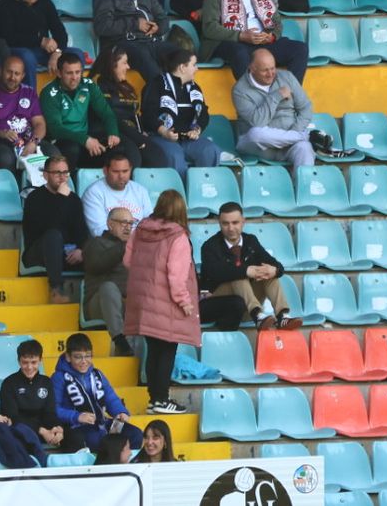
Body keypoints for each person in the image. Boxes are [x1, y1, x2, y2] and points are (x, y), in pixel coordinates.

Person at [125, 190, 200, 416]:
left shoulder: (140, 230)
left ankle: (153, 398)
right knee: (167, 349)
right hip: (166, 302)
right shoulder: (178, 236)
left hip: (143, 298)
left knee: (154, 349)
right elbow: (176, 275)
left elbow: (127, 260)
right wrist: (185, 302)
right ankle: (162, 398)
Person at [203, 0, 308, 79]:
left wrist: (271, 36)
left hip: (262, 42)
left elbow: (277, 23)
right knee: (239, 53)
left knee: (300, 49)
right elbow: (209, 28)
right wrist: (241, 35)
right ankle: (252, 96)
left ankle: (289, 93)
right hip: (233, 42)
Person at [230, 48, 334, 167]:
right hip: (260, 147)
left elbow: (306, 108)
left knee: (304, 148)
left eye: (273, 68)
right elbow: (258, 122)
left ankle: (303, 184)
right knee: (256, 133)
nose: (270, 74)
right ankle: (306, 136)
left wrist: (293, 132)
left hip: (290, 143)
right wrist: (276, 96)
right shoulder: (239, 90)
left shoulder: (287, 77)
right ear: (252, 69)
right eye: (265, 70)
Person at [200, 201, 292, 330]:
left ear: (243, 221)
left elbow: (274, 263)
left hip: (246, 305)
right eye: (225, 223)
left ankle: (283, 316)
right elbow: (216, 272)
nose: (231, 228)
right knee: (238, 275)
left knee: (269, 274)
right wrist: (247, 271)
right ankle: (258, 316)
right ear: (219, 223)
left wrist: (275, 270)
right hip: (222, 304)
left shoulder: (251, 241)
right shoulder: (210, 246)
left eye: (235, 223)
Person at [51, 332, 144, 452]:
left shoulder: (97, 374)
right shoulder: (59, 377)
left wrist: (120, 412)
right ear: (68, 357)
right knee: (96, 440)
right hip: (76, 426)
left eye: (88, 356)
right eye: (78, 357)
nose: (84, 361)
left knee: (135, 434)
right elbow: (53, 409)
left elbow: (111, 398)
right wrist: (77, 416)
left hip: (102, 423)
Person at [93, 0, 176, 83]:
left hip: (148, 41)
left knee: (180, 56)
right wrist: (135, 24)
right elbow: (102, 26)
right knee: (146, 59)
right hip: (121, 43)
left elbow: (163, 19)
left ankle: (183, 97)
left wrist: (157, 27)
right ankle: (161, 95)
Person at [142, 49, 223, 180]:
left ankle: (203, 190)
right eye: (194, 65)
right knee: (174, 155)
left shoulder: (194, 87)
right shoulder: (156, 84)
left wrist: (197, 130)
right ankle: (180, 196)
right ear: (182, 67)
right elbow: (147, 116)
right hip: (161, 137)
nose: (197, 69)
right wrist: (164, 132)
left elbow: (203, 114)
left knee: (210, 150)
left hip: (188, 139)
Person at [22, 153, 88, 304]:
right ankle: (56, 290)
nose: (62, 177)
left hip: (66, 252)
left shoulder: (73, 199)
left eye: (65, 172)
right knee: (53, 236)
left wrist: (81, 250)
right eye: (57, 173)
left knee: (97, 249)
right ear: (45, 175)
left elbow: (81, 231)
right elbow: (48, 227)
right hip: (39, 252)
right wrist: (61, 198)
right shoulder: (34, 198)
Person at [43, 51, 123, 171]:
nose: (74, 77)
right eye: (69, 73)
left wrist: (113, 133)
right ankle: (71, 183)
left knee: (116, 149)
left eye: (78, 72)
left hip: (85, 140)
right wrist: (84, 139)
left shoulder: (88, 85)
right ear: (59, 73)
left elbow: (106, 113)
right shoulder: (49, 93)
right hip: (61, 141)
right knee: (72, 148)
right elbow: (55, 129)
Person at [0, 0, 72, 78]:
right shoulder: (5, 3)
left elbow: (60, 31)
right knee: (28, 57)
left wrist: (57, 52)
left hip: (42, 51)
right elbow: (7, 37)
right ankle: (30, 95)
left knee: (75, 55)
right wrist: (40, 41)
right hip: (16, 50)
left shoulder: (44, 2)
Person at [82, 205, 138, 356]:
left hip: (128, 304)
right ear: (110, 224)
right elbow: (97, 265)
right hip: (100, 305)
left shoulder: (133, 248)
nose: (128, 227)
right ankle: (119, 340)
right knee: (109, 287)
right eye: (123, 223)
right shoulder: (95, 243)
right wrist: (124, 247)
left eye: (131, 224)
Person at [0, 339, 67, 455]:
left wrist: (57, 428)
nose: (29, 367)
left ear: (40, 360)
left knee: (71, 434)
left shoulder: (46, 382)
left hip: (45, 431)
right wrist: (41, 431)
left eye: (34, 362)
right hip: (20, 431)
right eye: (25, 362)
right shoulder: (9, 383)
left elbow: (50, 413)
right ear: (19, 361)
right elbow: (12, 417)